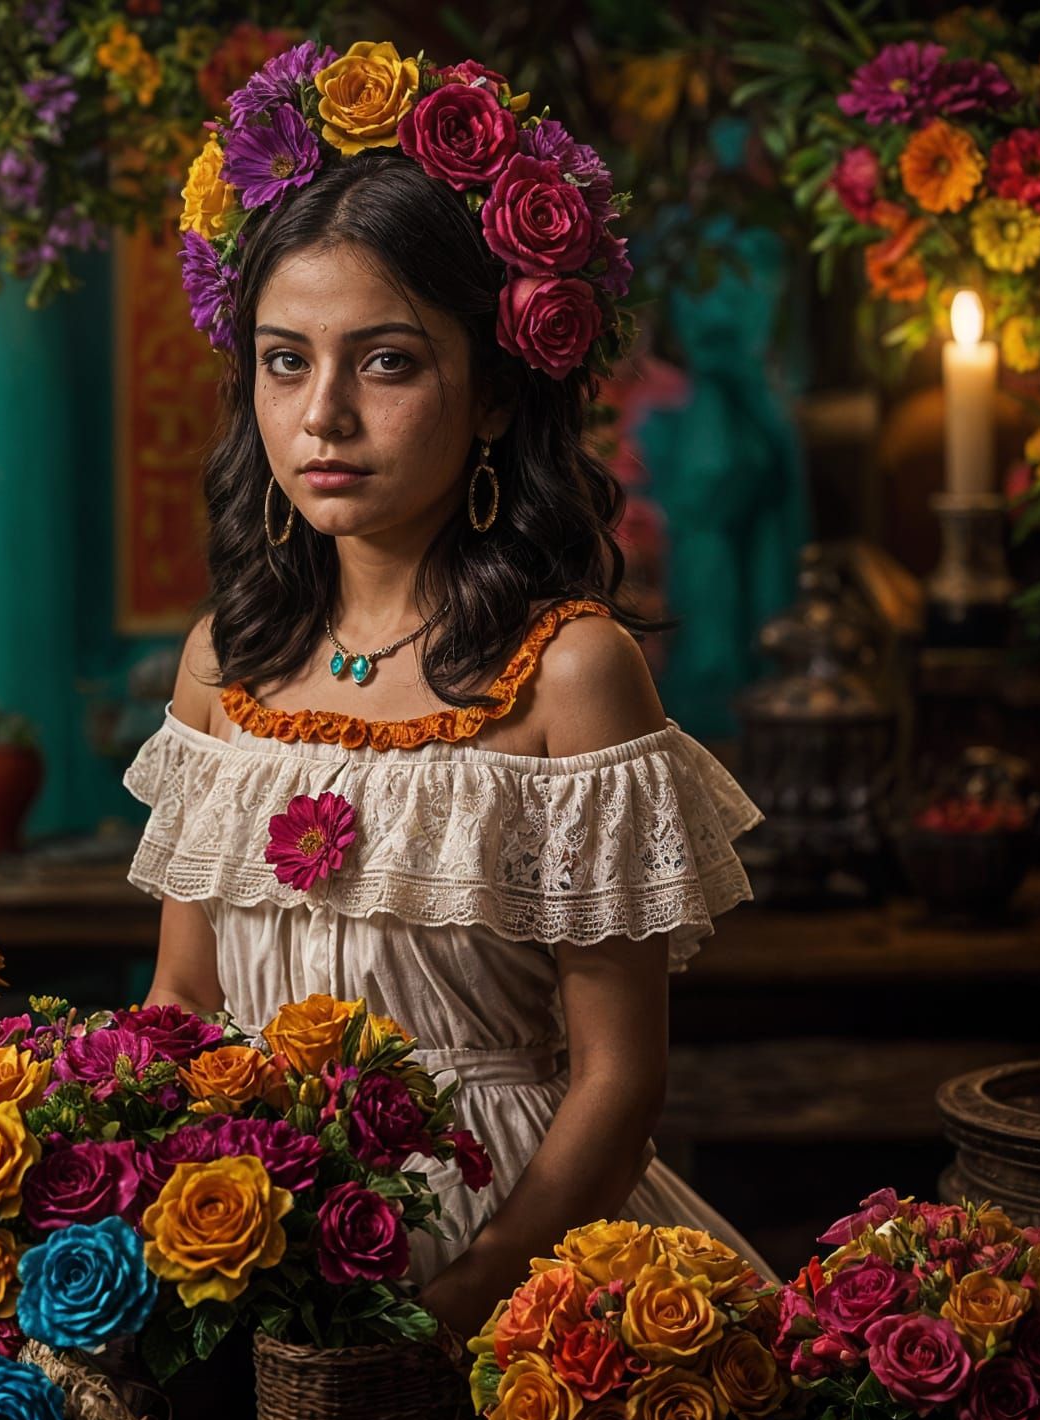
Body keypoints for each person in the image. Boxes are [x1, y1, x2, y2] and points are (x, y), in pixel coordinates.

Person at [123, 40, 774, 1344]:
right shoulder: (223, 664)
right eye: (285, 361)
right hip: (267, 1247)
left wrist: (463, 1298)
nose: (323, 417)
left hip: (525, 1256)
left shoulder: (573, 673)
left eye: (386, 362)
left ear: (490, 396)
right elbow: (184, 1004)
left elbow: (619, 1085)